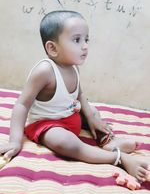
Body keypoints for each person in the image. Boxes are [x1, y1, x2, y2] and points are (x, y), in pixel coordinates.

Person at [0, 10, 149, 182]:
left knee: (93, 112)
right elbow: (22, 105)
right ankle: (118, 157)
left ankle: (107, 141)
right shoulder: (44, 71)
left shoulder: (73, 67)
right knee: (65, 141)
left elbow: (80, 95)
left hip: (70, 116)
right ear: (52, 48)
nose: (85, 45)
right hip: (48, 124)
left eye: (86, 39)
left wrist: (91, 117)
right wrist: (15, 141)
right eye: (77, 40)